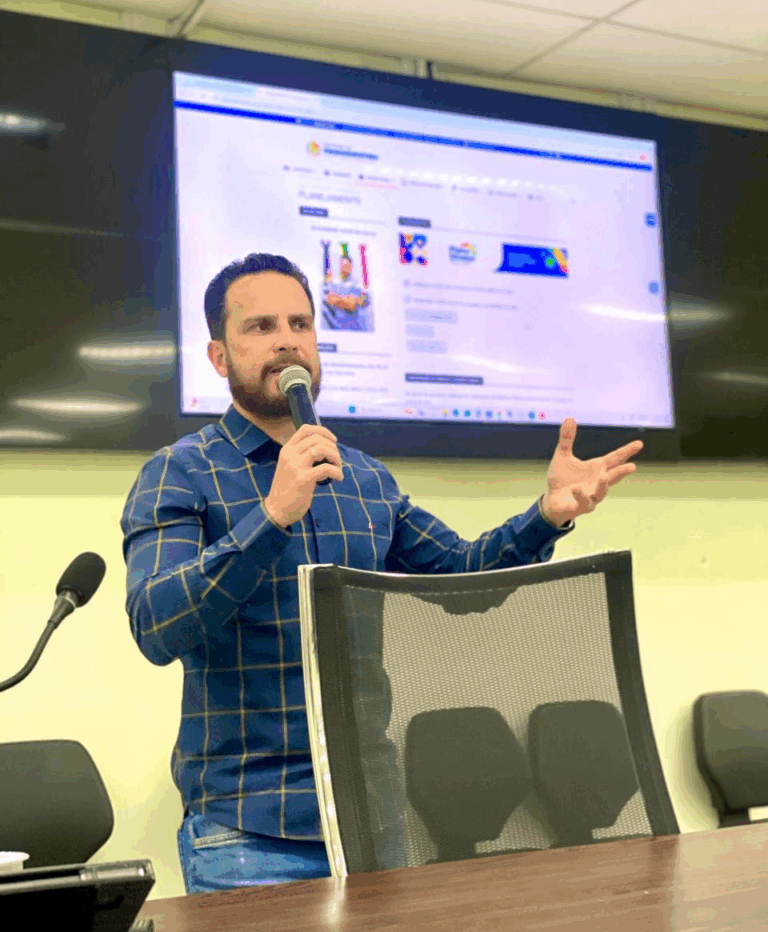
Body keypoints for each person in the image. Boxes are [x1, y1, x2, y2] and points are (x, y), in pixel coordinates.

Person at [121, 252, 642, 894]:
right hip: (249, 832)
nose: (287, 340)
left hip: (373, 816)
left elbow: (463, 580)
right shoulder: (180, 472)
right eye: (260, 326)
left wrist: (546, 516)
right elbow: (157, 625)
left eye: (301, 324)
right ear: (219, 357)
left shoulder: (364, 477)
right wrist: (272, 516)